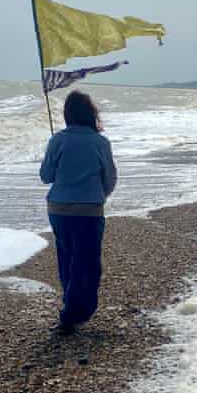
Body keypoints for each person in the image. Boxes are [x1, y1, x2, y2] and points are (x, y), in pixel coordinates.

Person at [39, 91, 117, 335]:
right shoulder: (100, 142)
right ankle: (74, 311)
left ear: (67, 115)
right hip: (89, 209)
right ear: (91, 114)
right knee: (87, 262)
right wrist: (100, 196)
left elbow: (46, 176)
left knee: (68, 258)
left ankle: (72, 307)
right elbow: (110, 177)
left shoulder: (57, 141)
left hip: (58, 208)